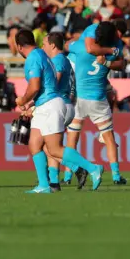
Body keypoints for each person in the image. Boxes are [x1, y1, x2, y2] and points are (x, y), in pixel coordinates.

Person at [14, 29, 104, 194]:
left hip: (50, 105)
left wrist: (23, 100)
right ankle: (44, 185)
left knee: (54, 149)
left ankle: (93, 168)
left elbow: (34, 86)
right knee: (35, 144)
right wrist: (31, 103)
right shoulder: (42, 55)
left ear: (19, 46)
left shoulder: (33, 57)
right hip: (45, 104)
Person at [66, 22, 127, 186]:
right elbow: (122, 65)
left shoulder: (80, 47)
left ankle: (67, 176)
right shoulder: (114, 52)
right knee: (109, 139)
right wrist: (108, 61)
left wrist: (70, 41)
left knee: (72, 138)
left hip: (79, 99)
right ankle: (116, 175)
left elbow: (67, 46)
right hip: (98, 99)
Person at [41, 33, 87, 190]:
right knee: (48, 146)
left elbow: (54, 83)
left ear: (53, 45)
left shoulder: (58, 60)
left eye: (44, 44)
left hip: (58, 105)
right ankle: (54, 182)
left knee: (51, 146)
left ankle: (86, 168)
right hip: (66, 104)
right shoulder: (64, 60)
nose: (42, 47)